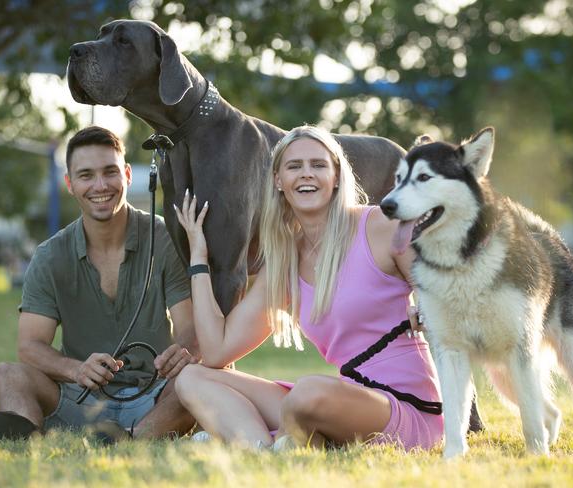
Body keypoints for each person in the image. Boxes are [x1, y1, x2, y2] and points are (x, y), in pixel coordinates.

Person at [173, 125, 444, 450]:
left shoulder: (380, 227)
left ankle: (275, 438)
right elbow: (217, 351)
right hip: (335, 401)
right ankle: (262, 449)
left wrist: (428, 306)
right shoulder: (284, 263)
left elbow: (443, 294)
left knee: (308, 391)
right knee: (192, 377)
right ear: (278, 181)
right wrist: (199, 258)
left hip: (404, 408)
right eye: (294, 166)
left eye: (318, 165)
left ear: (336, 176)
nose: (306, 174)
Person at [0, 126, 197, 442]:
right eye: (86, 175)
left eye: (110, 172)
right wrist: (77, 370)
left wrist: (184, 352)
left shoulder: (165, 238)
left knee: (200, 379)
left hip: (154, 395)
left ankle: (133, 438)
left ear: (126, 174)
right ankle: (24, 434)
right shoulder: (49, 256)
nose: (100, 185)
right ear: (70, 183)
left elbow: (189, 326)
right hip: (79, 397)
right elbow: (29, 346)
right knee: (7, 374)